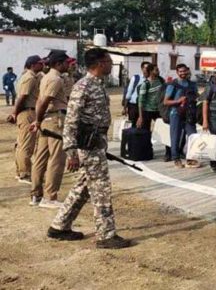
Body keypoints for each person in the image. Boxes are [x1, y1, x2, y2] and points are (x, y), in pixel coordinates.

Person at [47, 47, 131, 249]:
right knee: (101, 188)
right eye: (109, 61)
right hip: (88, 145)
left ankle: (59, 226)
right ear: (100, 63)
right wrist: (71, 151)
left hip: (96, 143)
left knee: (83, 187)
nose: (111, 64)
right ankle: (106, 235)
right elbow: (71, 121)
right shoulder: (82, 86)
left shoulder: (98, 85)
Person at [29, 52, 71, 208]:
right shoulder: (55, 79)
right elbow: (45, 100)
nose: (68, 65)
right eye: (66, 62)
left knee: (40, 158)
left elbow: (40, 100)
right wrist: (38, 120)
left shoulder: (45, 77)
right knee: (57, 159)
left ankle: (36, 195)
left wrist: (38, 120)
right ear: (59, 64)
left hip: (46, 119)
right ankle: (50, 197)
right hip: (55, 120)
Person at [7, 55, 44, 184]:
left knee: (22, 144)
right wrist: (14, 113)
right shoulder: (29, 78)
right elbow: (22, 97)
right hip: (28, 112)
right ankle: (25, 173)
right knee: (26, 145)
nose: (43, 65)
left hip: (27, 111)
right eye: (40, 63)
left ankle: (21, 172)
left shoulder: (31, 76)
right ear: (33, 65)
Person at [164, 64, 199, 169]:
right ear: (177, 72)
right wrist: (178, 101)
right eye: (180, 71)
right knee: (175, 137)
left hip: (189, 113)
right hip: (176, 113)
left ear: (187, 71)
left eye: (184, 71)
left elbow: (196, 96)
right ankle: (176, 158)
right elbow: (166, 101)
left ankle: (191, 158)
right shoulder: (173, 85)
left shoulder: (192, 84)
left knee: (193, 136)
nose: (183, 73)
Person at [137, 63, 164, 132]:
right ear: (151, 71)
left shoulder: (161, 81)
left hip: (158, 110)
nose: (158, 72)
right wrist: (140, 117)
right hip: (147, 111)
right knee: (145, 132)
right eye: (156, 70)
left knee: (162, 129)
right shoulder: (145, 84)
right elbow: (140, 101)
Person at [122, 62, 149, 126]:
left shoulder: (151, 79)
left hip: (145, 106)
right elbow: (129, 93)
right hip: (133, 106)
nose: (147, 69)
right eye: (145, 67)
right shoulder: (136, 78)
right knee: (132, 124)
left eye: (149, 68)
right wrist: (125, 108)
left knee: (144, 125)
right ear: (142, 68)